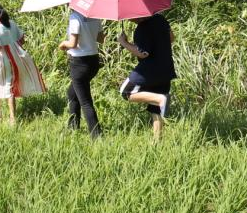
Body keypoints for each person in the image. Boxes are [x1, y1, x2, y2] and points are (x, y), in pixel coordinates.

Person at [0, 2, 46, 124]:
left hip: (3, 59)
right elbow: (22, 39)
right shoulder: (11, 23)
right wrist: (14, 46)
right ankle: (12, 118)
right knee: (10, 85)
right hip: (18, 58)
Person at [118, 10, 175, 140]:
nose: (128, 19)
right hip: (166, 68)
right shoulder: (161, 19)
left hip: (149, 70)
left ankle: (161, 99)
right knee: (156, 108)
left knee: (125, 92)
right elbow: (172, 38)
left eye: (129, 17)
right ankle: (157, 142)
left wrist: (124, 43)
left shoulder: (142, 29)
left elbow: (143, 53)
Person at [58, 8, 105, 138]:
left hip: (79, 63)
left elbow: (72, 44)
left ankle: (97, 136)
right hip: (94, 61)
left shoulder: (75, 17)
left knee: (85, 102)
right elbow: (101, 39)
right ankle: (73, 127)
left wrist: (63, 44)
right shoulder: (95, 15)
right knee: (71, 93)